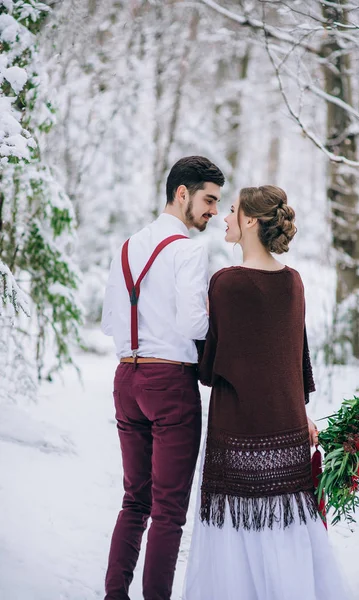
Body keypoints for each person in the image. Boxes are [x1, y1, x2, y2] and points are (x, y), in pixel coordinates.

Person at [183, 185, 350, 600]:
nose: (225, 216)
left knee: (237, 536)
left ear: (251, 221)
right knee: (286, 533)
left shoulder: (226, 283)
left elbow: (210, 368)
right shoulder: (293, 282)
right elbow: (297, 361)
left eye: (234, 210)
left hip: (238, 430)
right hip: (287, 429)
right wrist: (302, 413)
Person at [101, 156, 225, 600]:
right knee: (169, 511)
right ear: (182, 193)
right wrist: (219, 319)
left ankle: (114, 595)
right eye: (209, 199)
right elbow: (194, 327)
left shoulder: (126, 246)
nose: (213, 210)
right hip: (169, 385)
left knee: (134, 500)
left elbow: (109, 322)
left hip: (126, 380)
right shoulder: (189, 250)